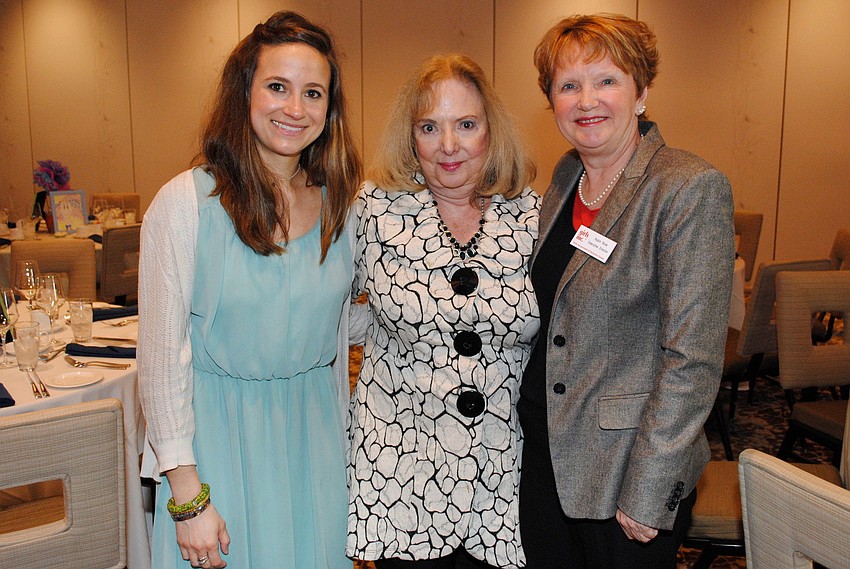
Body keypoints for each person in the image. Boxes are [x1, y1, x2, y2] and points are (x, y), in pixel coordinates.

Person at [137, 11, 361, 569]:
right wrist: (188, 497)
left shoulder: (343, 206)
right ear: (244, 93)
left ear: (329, 109)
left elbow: (332, 319)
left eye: (313, 93)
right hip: (218, 448)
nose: (295, 108)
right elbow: (161, 361)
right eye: (277, 87)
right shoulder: (185, 205)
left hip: (315, 444)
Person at [517, 13, 735, 569]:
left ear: (641, 93)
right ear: (552, 101)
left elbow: (692, 360)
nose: (587, 100)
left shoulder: (686, 188)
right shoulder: (566, 179)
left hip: (625, 473)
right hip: (545, 457)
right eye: (569, 85)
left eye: (606, 81)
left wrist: (650, 487)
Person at [346, 54, 540, 569]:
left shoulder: (532, 215)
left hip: (504, 473)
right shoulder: (374, 210)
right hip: (401, 472)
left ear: (491, 130)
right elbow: (327, 311)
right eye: (429, 127)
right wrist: (378, 328)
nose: (448, 145)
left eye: (466, 125)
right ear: (410, 138)